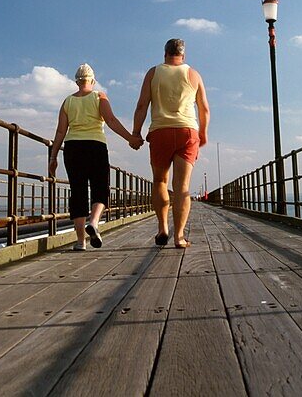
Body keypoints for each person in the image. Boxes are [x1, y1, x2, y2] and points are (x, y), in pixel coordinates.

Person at [48, 64, 142, 250]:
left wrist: (53, 157)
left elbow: (60, 131)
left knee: (78, 192)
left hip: (73, 148)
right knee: (100, 187)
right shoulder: (99, 96)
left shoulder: (67, 101)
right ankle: (95, 222)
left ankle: (80, 241)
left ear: (77, 81)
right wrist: (130, 139)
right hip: (96, 146)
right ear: (92, 80)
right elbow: (111, 120)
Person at [132, 38, 210, 249]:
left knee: (159, 182)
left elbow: (142, 105)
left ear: (165, 54)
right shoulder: (193, 74)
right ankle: (179, 237)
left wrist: (136, 133)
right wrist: (203, 132)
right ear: (183, 56)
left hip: (160, 131)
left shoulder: (153, 73)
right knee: (182, 187)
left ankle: (162, 228)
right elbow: (204, 109)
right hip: (187, 131)